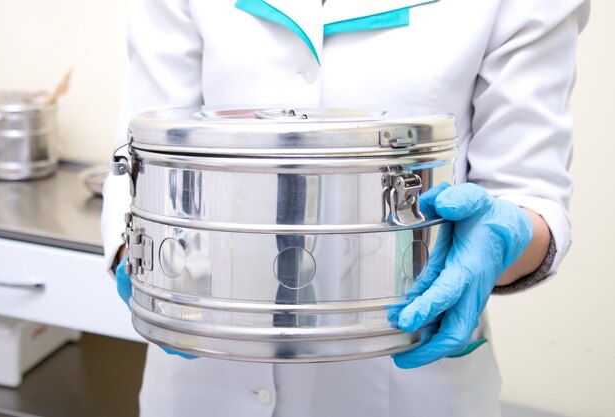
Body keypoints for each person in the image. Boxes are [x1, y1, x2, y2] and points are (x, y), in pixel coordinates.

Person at [102, 1, 590, 416]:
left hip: (402, 379)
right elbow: (140, 147)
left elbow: (528, 190)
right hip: (202, 376)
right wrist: (141, 265)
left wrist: (502, 238)